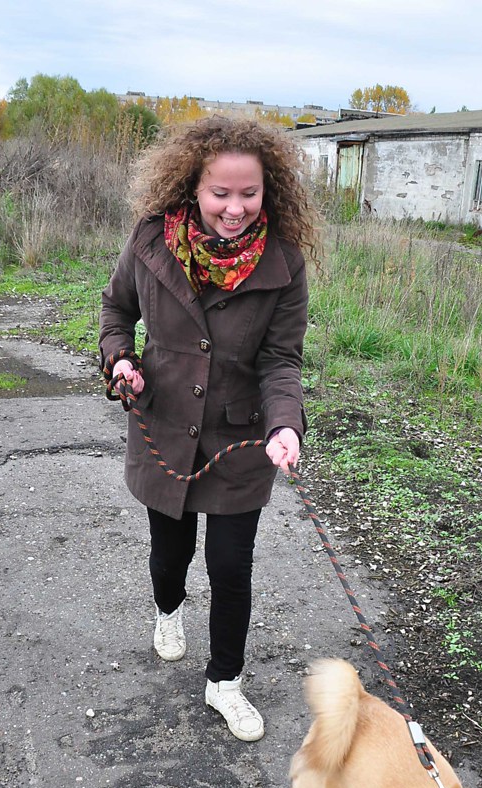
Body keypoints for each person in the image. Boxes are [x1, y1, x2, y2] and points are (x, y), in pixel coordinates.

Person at [100, 116, 317, 742]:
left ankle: (225, 681)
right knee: (171, 556)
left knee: (231, 565)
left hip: (238, 439)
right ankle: (168, 612)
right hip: (163, 428)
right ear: (192, 187)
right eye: (220, 193)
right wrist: (121, 360)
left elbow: (281, 360)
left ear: (267, 191)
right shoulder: (149, 242)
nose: (235, 207)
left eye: (248, 193)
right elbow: (117, 310)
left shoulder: (283, 262)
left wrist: (284, 425)